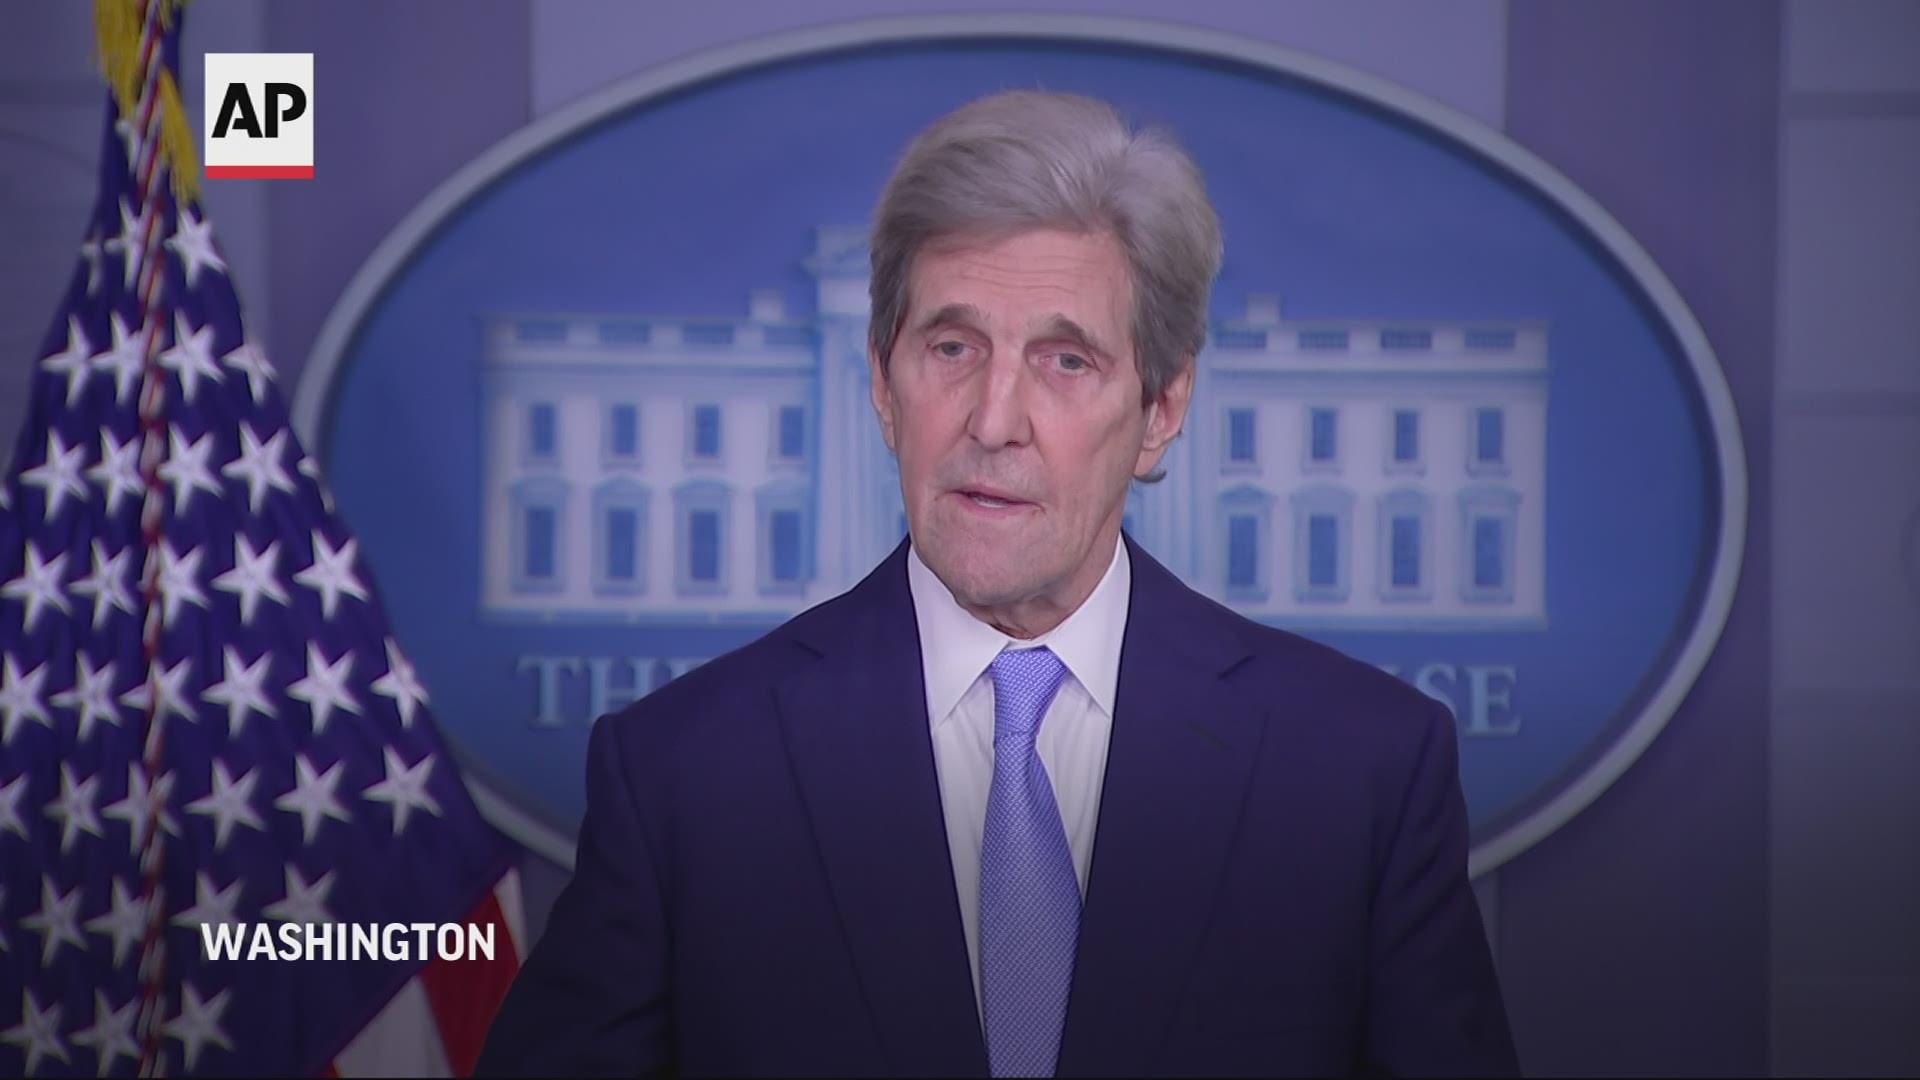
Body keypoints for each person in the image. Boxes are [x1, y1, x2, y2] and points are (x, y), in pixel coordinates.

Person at [476, 89, 1519, 1079]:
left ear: (1161, 410)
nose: (992, 419)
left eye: (1066, 361)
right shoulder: (683, 776)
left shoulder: (1364, 777)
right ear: (884, 387)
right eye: (952, 347)